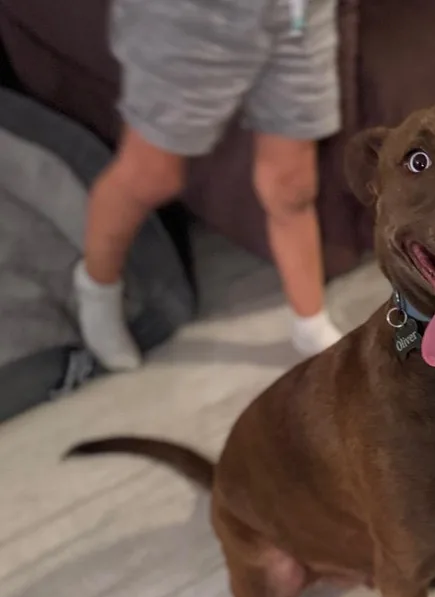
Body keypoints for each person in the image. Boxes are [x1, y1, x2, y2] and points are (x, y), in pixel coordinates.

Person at [75, 0, 343, 371]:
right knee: (151, 175)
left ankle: (311, 325)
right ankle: (96, 286)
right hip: (192, 15)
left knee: (291, 184)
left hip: (298, 13)